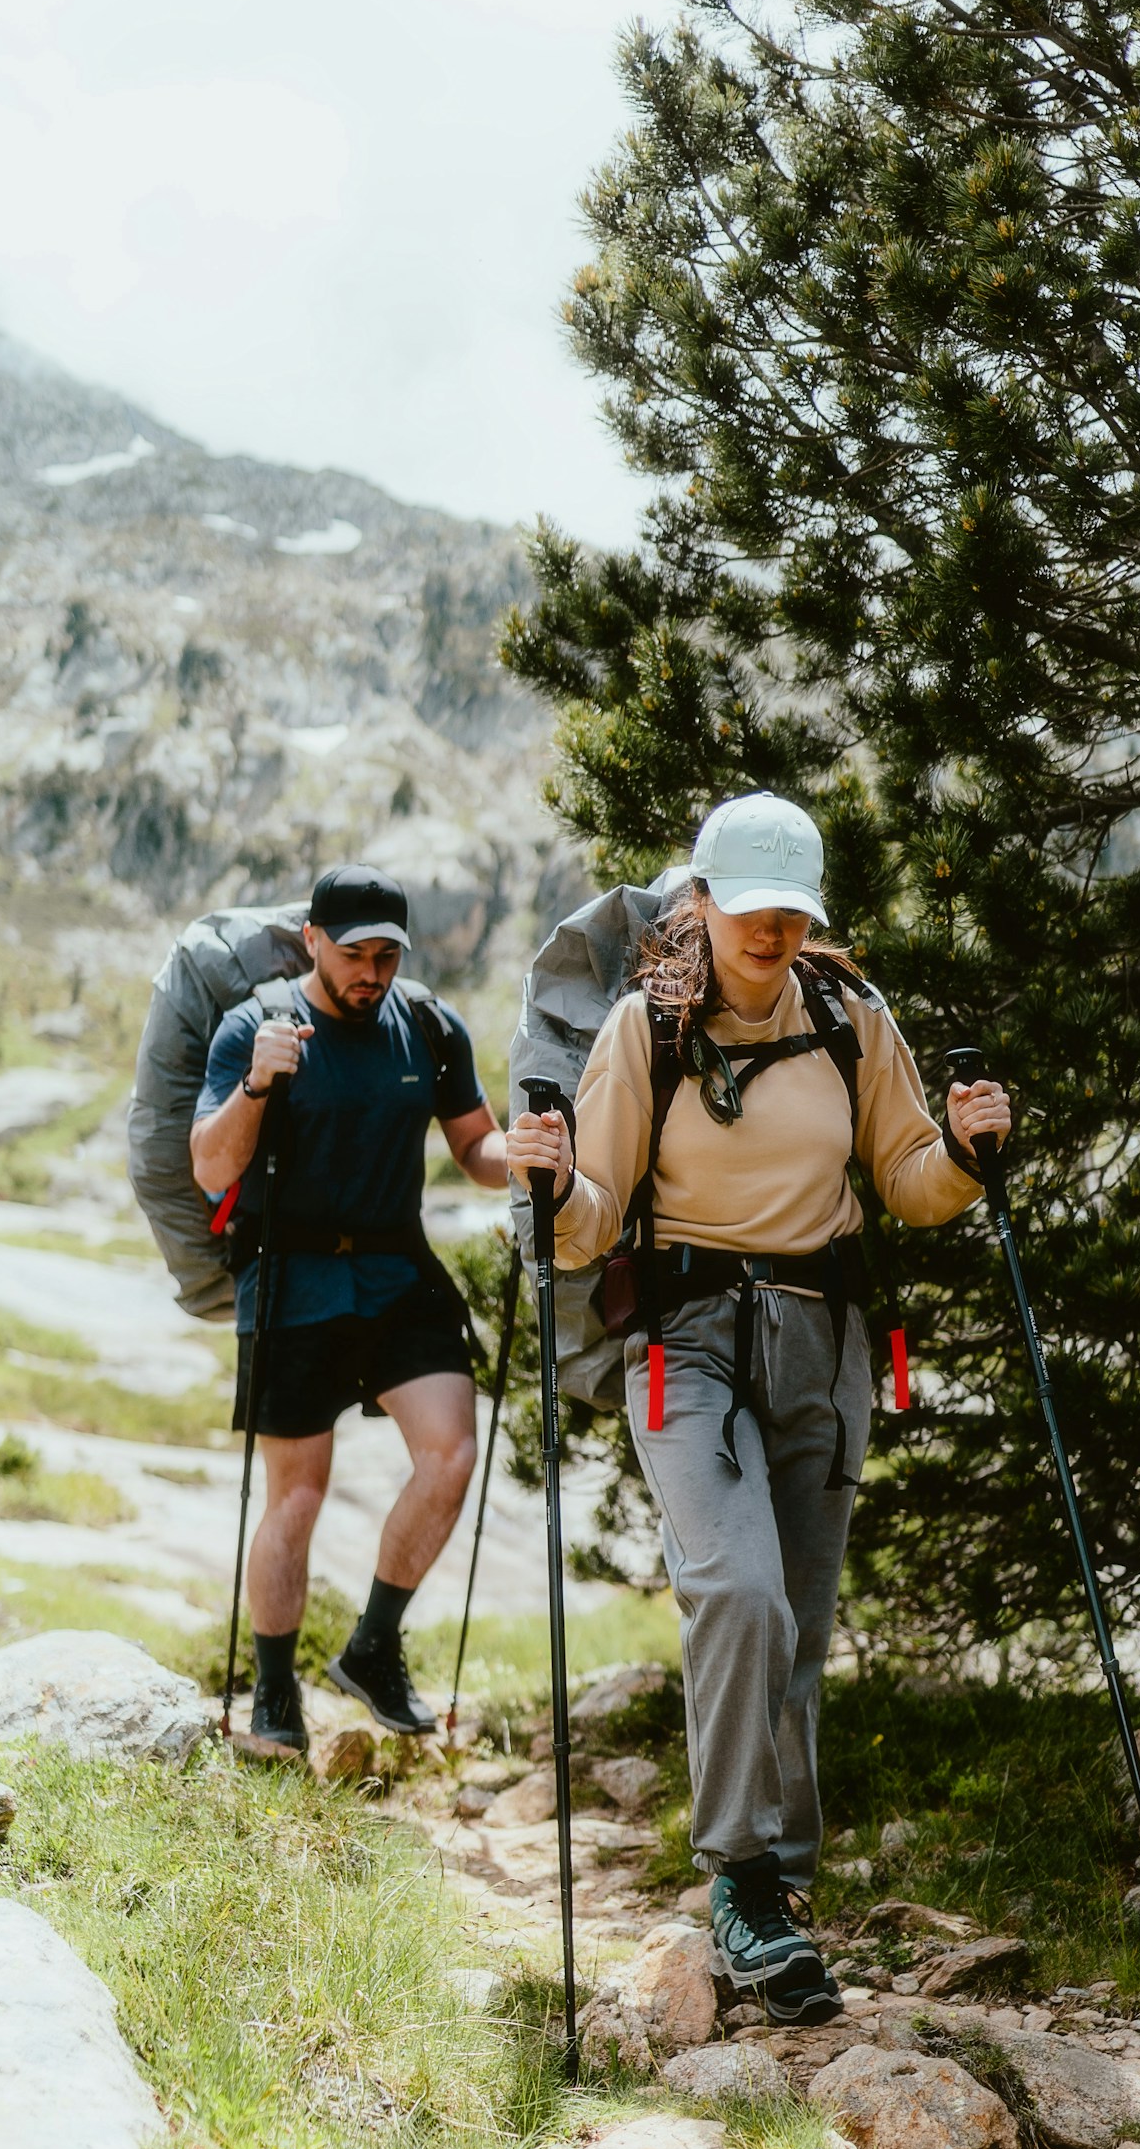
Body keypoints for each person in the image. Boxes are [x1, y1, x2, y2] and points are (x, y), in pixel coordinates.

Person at [506, 794, 1012, 2023]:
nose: (775, 931)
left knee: (798, 1623)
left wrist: (967, 1150)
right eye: (752, 910)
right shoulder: (647, 1032)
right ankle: (737, 1876)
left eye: (794, 911)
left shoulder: (850, 1022)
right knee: (738, 1589)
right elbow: (588, 1221)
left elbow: (908, 1184)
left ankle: (778, 1899)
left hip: (824, 1350)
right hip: (685, 1349)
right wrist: (559, 1182)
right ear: (703, 905)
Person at [191, 863, 509, 1755]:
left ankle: (373, 1647)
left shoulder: (429, 1027)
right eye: (357, 954)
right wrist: (257, 1086)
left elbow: (474, 1147)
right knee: (297, 1496)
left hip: (396, 1269)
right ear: (313, 944)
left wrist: (518, 1156)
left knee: (450, 1455)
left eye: (389, 956)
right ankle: (275, 1687)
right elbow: (212, 1169)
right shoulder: (253, 1028)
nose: (373, 973)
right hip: (289, 1276)